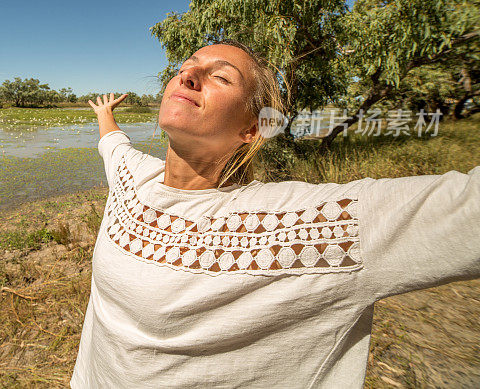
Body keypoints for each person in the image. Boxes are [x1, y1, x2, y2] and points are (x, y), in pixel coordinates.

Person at [70, 40, 480, 388]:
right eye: (187, 67)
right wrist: (105, 113)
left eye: (221, 76)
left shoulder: (308, 225)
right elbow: (115, 145)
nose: (188, 77)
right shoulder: (132, 178)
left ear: (251, 130)